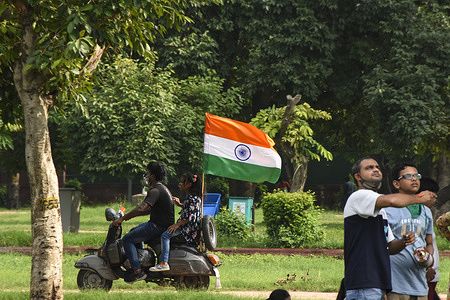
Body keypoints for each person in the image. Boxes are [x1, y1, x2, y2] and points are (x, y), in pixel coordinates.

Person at [343, 156, 436, 300]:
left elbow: (391, 247)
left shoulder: (381, 210)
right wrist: (419, 198)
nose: (375, 169)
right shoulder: (359, 196)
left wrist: (404, 241)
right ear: (358, 176)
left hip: (378, 282)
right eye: (369, 168)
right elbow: (392, 200)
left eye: (377, 167)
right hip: (364, 281)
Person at [112, 162, 174, 283]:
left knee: (127, 239)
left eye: (148, 173)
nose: (146, 175)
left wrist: (122, 219)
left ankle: (137, 271)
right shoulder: (162, 188)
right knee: (133, 232)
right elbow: (147, 210)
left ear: (153, 176)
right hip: (159, 224)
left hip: (158, 226)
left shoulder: (155, 191)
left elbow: (141, 208)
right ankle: (142, 262)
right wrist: (128, 214)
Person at [384, 162, 435, 300]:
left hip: (420, 285)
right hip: (396, 285)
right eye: (408, 176)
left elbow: (429, 242)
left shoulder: (426, 211)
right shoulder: (387, 210)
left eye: (417, 175)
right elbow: (382, 246)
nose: (414, 179)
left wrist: (428, 259)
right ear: (396, 184)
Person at [150, 172, 202, 272]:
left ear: (189, 185)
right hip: (187, 227)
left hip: (187, 229)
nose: (180, 183)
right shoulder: (192, 197)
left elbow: (192, 217)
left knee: (165, 235)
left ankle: (164, 262)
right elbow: (190, 209)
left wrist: (177, 224)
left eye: (183, 182)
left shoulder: (192, 198)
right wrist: (180, 204)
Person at [418, 177, 440, 300]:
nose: (434, 200)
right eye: (432, 197)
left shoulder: (427, 214)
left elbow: (430, 244)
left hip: (431, 274)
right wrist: (428, 267)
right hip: (425, 274)